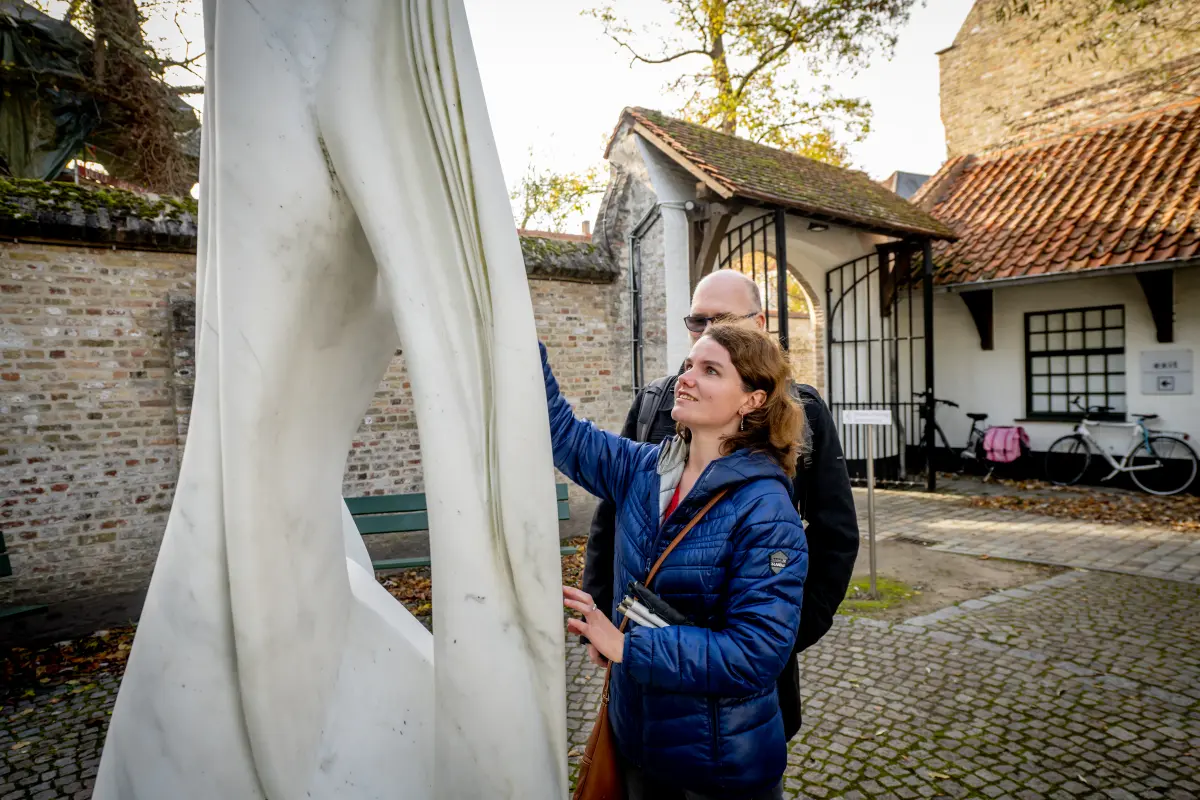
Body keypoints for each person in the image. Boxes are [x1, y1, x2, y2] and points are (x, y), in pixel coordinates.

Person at [585, 270, 858, 739]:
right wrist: (606, 615)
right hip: (644, 661)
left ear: (761, 321)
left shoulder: (804, 410)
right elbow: (610, 518)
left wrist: (788, 633)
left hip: (740, 671)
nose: (708, 331)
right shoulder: (657, 403)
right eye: (697, 322)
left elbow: (834, 533)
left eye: (724, 319)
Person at [545, 324, 808, 800]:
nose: (685, 377)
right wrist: (521, 339)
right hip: (637, 745)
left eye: (710, 370)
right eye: (688, 365)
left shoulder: (765, 509)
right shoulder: (641, 469)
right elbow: (560, 432)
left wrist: (627, 646)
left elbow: (756, 653)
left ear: (751, 400)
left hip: (717, 766)